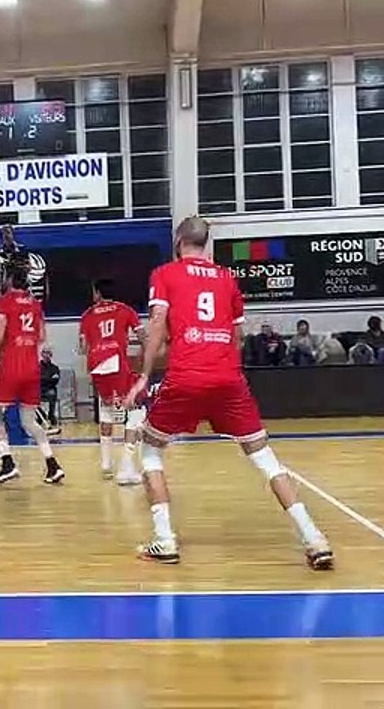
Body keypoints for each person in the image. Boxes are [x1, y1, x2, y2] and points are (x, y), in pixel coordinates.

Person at [124, 216, 333, 568]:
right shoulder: (227, 279)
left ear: (178, 242)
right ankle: (314, 538)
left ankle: (165, 540)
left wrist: (144, 375)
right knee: (265, 459)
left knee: (150, 451)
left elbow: (158, 324)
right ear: (207, 244)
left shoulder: (165, 274)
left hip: (186, 376)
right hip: (228, 378)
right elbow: (235, 339)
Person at [0, 266, 64, 485]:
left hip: (11, 366)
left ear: (9, 280)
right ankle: (52, 465)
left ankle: (7, 462)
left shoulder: (4, 301)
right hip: (32, 367)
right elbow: (42, 336)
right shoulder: (35, 303)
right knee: (29, 421)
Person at [78, 278, 144, 484]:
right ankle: (126, 467)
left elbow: (82, 347)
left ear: (97, 293)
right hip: (116, 362)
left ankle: (106, 465)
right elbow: (142, 335)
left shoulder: (87, 314)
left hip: (96, 365)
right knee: (136, 411)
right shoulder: (125, 310)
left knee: (106, 410)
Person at [39, 347, 61, 429]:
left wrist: (44, 379)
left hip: (50, 389)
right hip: (39, 389)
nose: (46, 355)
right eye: (44, 352)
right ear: (42, 354)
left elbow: (55, 380)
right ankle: (42, 415)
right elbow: (37, 379)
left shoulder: (54, 368)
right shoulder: (37, 367)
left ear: (51, 355)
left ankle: (51, 415)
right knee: (32, 398)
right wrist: (48, 378)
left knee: (52, 394)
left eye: (48, 353)